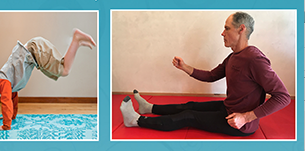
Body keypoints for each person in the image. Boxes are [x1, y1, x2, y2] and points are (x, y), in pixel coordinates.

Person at [119, 12, 291, 136]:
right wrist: (184, 67)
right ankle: (149, 108)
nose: (222, 33)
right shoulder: (234, 56)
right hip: (228, 108)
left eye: (226, 28)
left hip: (238, 124)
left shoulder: (255, 59)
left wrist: (246, 118)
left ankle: (136, 120)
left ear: (241, 29)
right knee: (189, 105)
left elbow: (283, 97)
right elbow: (211, 76)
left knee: (188, 116)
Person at [0, 29, 96, 130]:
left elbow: (6, 102)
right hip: (35, 50)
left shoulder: (2, 81)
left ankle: (76, 39)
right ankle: (77, 43)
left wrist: (5, 125)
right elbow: (12, 99)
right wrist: (11, 116)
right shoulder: (6, 82)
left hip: (35, 50)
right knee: (61, 68)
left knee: (64, 70)